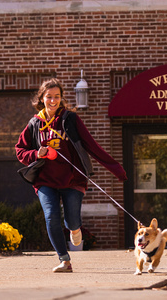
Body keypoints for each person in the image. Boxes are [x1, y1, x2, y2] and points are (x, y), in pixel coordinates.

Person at [15, 78, 127, 273]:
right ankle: (65, 260)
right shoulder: (34, 123)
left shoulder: (70, 119)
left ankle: (75, 229)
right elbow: (20, 150)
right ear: (41, 98)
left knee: (72, 220)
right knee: (51, 216)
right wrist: (36, 153)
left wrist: (116, 168)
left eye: (57, 97)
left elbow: (92, 145)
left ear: (61, 98)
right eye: (49, 97)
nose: (53, 100)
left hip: (72, 179)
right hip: (45, 181)